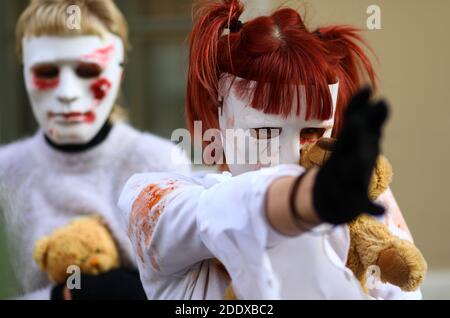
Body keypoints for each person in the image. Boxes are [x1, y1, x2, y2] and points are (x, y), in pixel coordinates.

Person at [118, 0, 421, 299]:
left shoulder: (361, 202)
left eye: (313, 131)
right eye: (264, 131)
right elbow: (222, 212)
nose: (288, 157)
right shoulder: (154, 200)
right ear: (219, 116)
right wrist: (311, 196)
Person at [0, 0, 190, 300]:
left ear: (120, 74)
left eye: (88, 70)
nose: (67, 94)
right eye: (47, 71)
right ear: (24, 73)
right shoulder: (5, 174)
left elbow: (188, 293)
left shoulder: (161, 164)